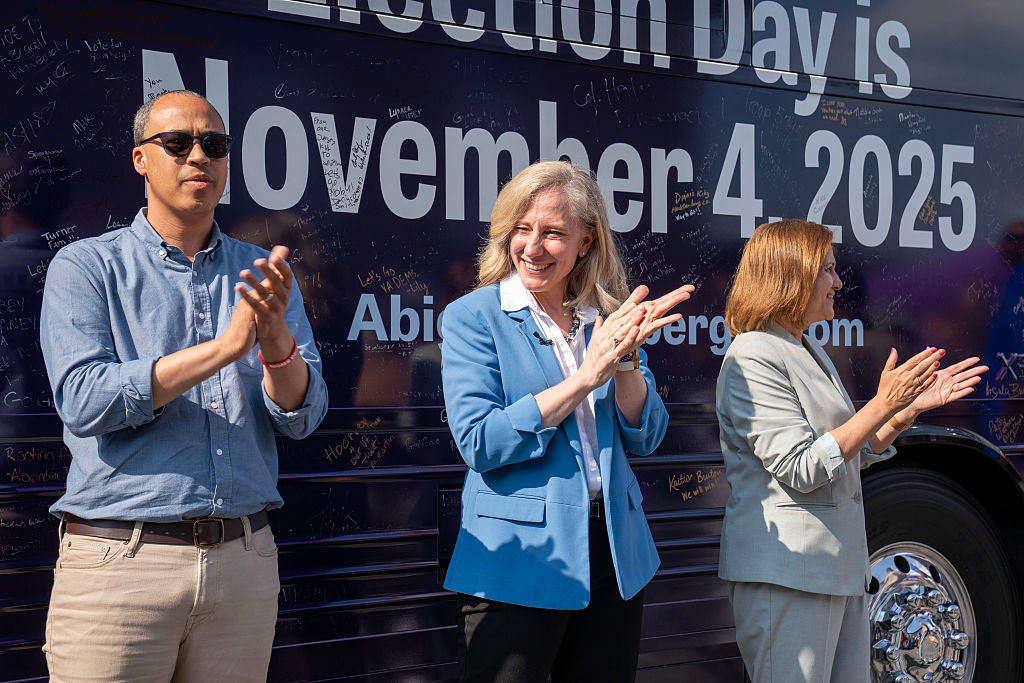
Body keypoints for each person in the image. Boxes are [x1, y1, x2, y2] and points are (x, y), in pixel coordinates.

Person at [38, 90, 328, 682]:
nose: (199, 156)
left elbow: (304, 413)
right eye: (178, 144)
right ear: (141, 159)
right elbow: (85, 398)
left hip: (243, 560)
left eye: (214, 145)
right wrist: (223, 351)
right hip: (124, 561)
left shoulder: (263, 273)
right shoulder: (87, 266)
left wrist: (274, 341)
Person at [440, 160, 694, 682]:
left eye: (553, 233)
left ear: (586, 242)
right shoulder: (473, 317)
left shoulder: (605, 317)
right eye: (522, 229)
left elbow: (645, 437)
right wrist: (585, 376)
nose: (532, 247)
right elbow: (480, 442)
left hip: (613, 555)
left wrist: (624, 362)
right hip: (519, 563)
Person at [715, 219, 987, 682]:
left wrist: (904, 412)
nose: (839, 282)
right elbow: (801, 466)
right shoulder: (753, 354)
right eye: (828, 270)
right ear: (792, 274)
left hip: (835, 572)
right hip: (790, 578)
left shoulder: (806, 349)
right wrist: (882, 402)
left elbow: (848, 449)